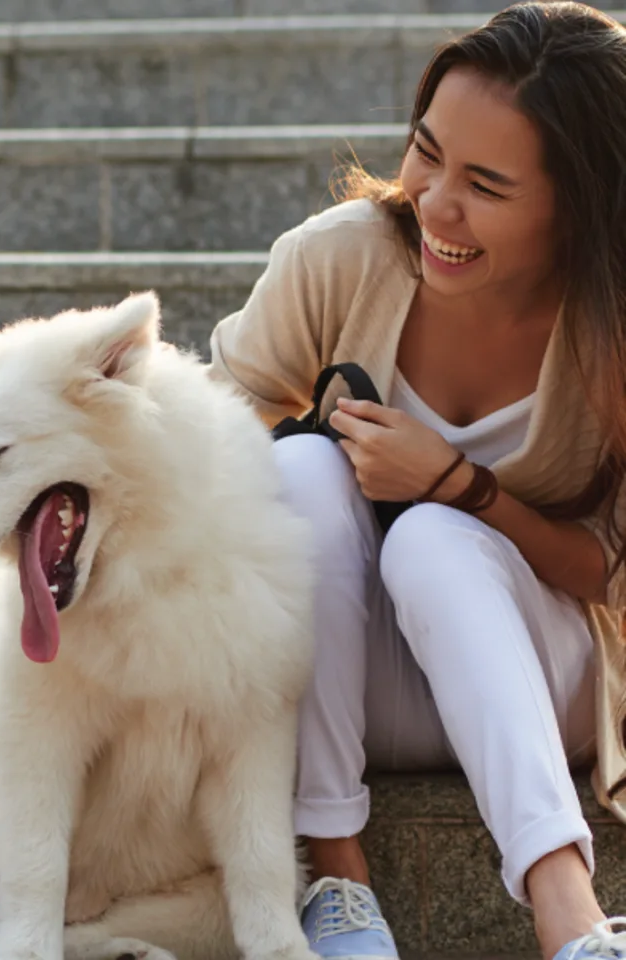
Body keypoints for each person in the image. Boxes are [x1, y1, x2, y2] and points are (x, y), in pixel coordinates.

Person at [206, 3, 626, 958]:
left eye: (486, 184)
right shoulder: (341, 258)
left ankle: (573, 922)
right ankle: (339, 885)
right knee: (300, 466)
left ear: (582, 202)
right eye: (426, 152)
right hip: (344, 688)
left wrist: (461, 487)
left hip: (537, 686)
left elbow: (613, 578)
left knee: (439, 538)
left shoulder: (613, 326)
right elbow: (200, 444)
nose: (435, 202)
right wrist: (321, 442)